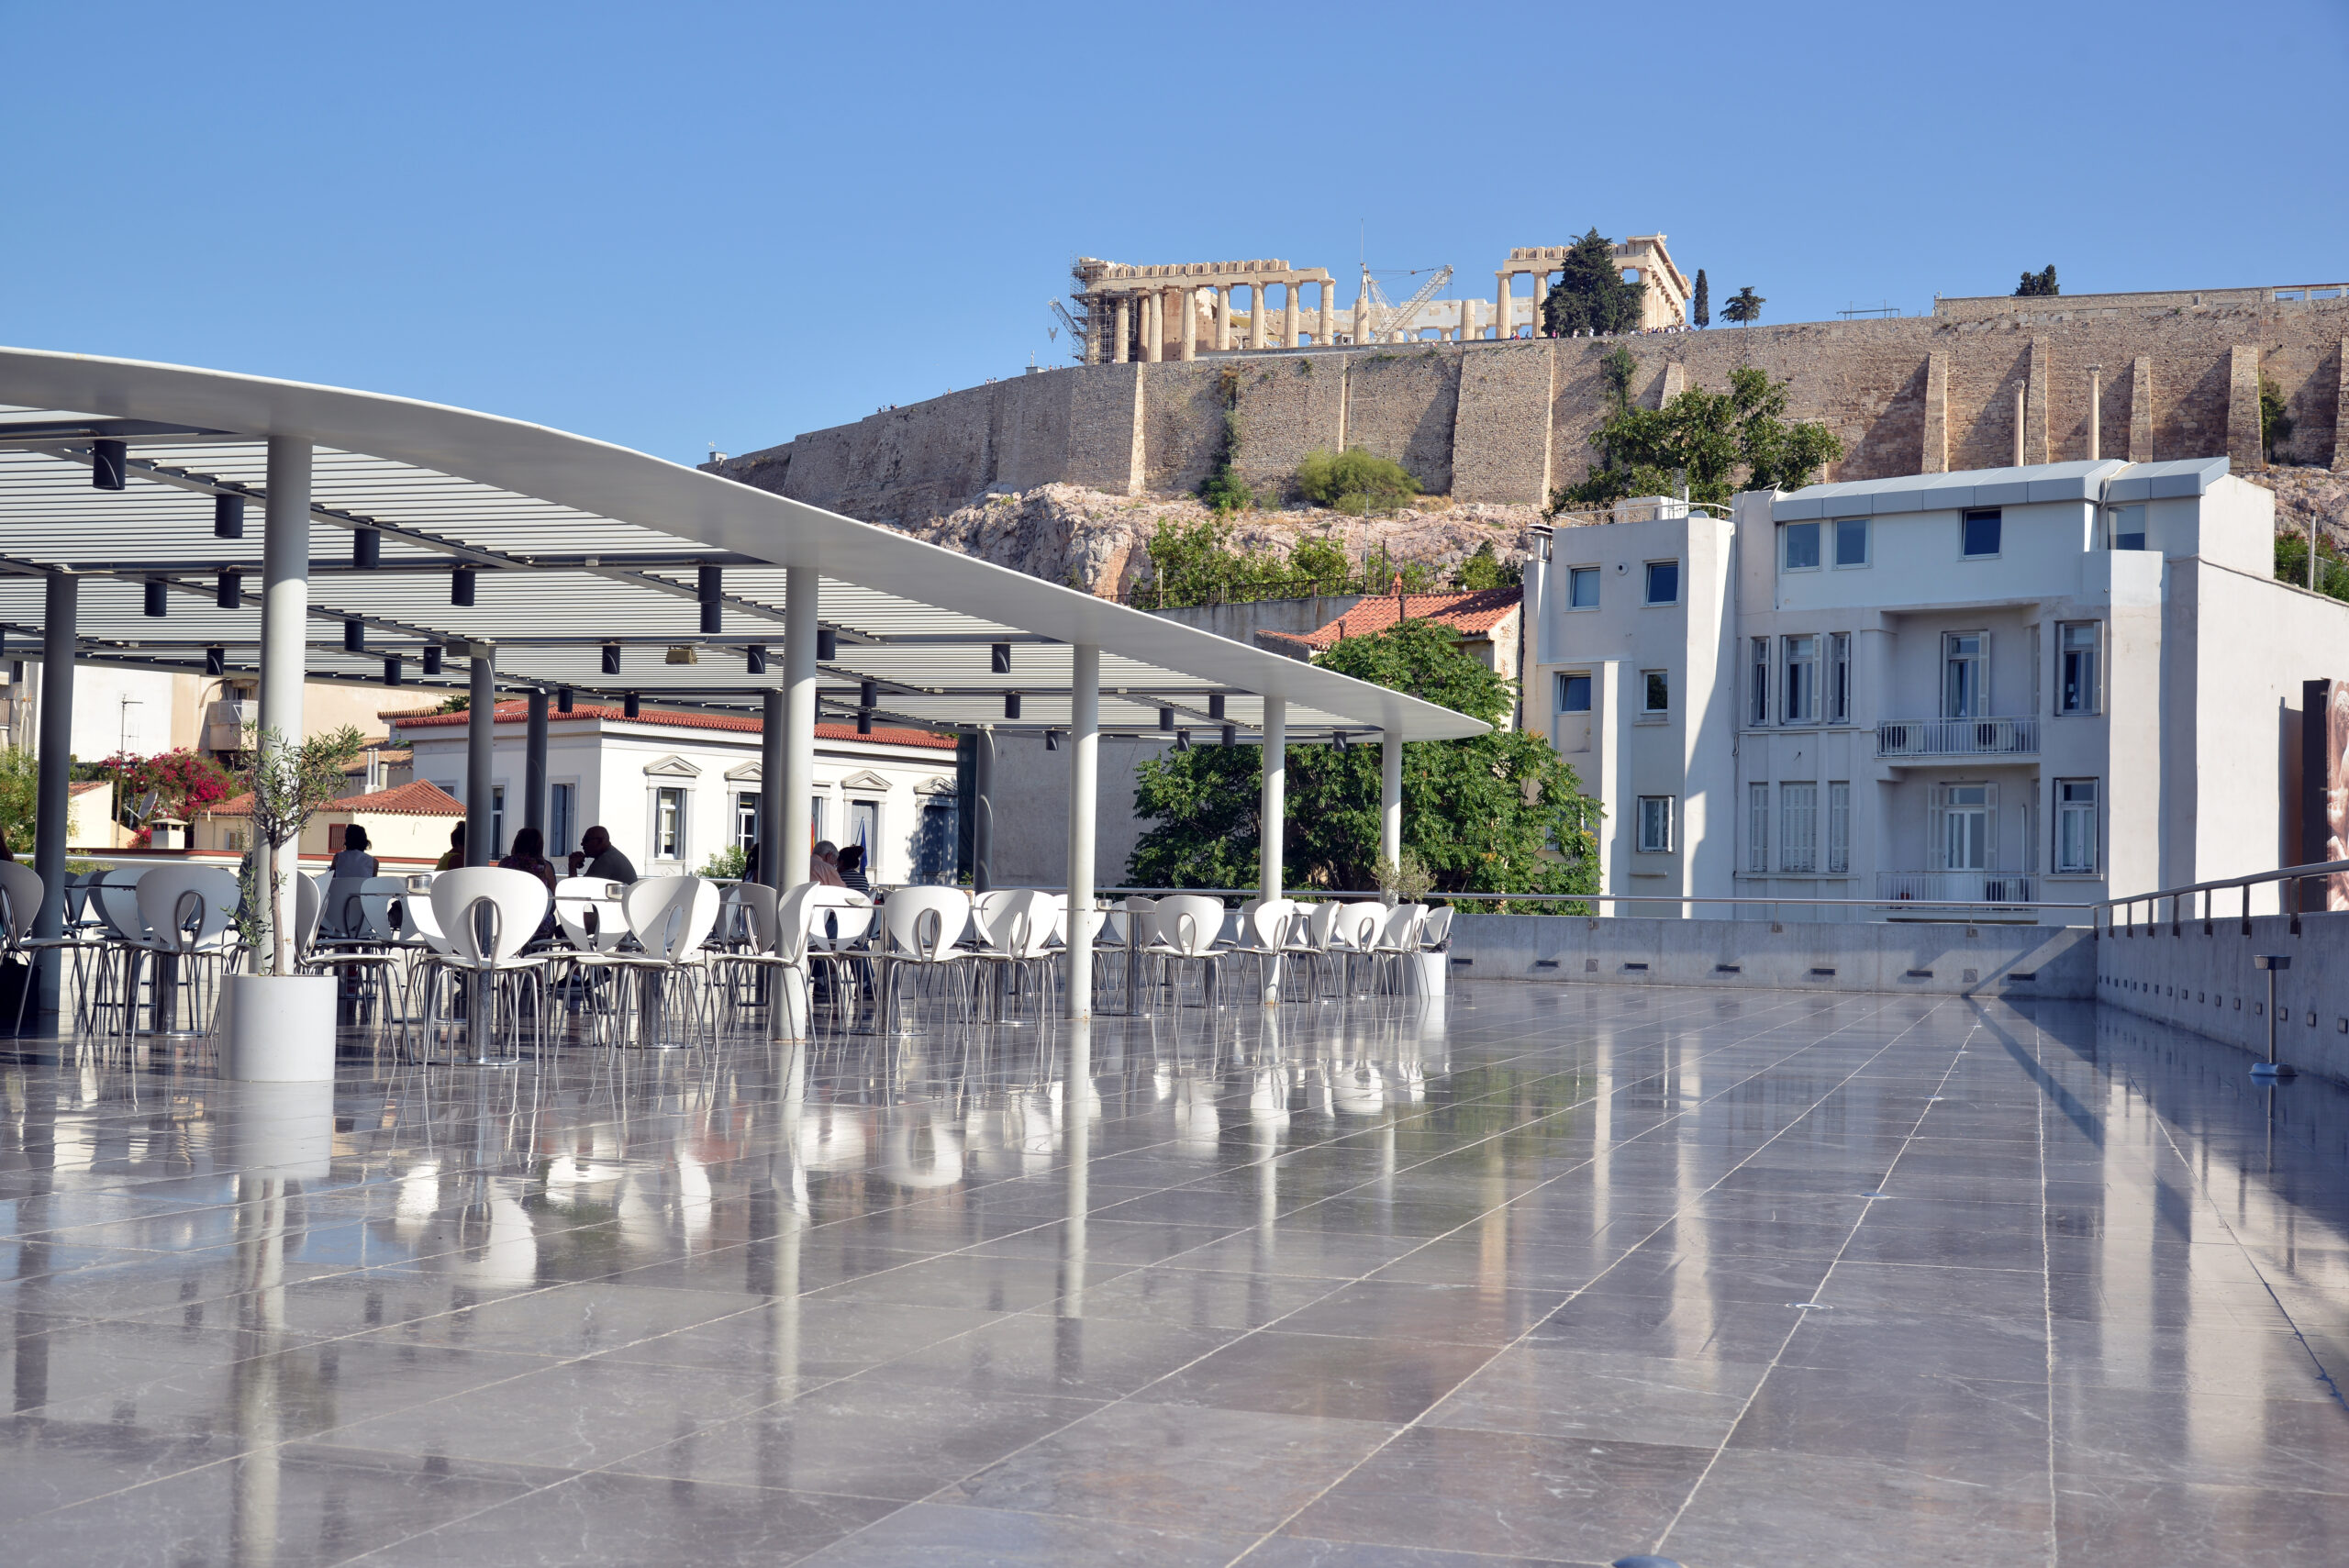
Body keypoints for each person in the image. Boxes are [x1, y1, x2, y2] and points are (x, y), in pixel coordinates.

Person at [567, 825, 638, 884]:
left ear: (600, 841)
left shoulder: (606, 860)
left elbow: (578, 891)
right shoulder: (610, 855)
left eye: (586, 840)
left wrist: (572, 866)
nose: (582, 844)